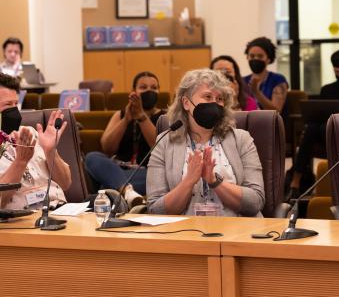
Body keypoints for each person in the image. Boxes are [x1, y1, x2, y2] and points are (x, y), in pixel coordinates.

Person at [146, 69, 264, 216]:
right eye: (208, 97)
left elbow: (255, 202)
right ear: (186, 103)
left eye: (219, 99)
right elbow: (155, 209)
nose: (214, 104)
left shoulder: (241, 139)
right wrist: (189, 181)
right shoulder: (164, 143)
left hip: (235, 230)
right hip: (185, 233)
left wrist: (214, 181)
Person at [286, 49, 339, 199]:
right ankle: (296, 181)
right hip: (326, 132)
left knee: (312, 130)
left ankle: (296, 181)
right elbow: (320, 113)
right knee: (312, 127)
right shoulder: (327, 89)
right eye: (337, 72)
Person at [85, 71, 166, 205]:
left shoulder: (164, 118)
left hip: (147, 172)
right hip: (119, 168)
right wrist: (126, 120)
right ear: (133, 91)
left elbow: (159, 147)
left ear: (159, 91)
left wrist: (141, 116)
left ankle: (112, 190)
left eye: (154, 88)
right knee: (92, 157)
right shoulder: (120, 115)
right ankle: (126, 191)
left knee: (105, 184)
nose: (149, 91)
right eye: (143, 87)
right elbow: (107, 147)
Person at [0, 74, 71, 209]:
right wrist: (20, 162)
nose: (14, 110)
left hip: (61, 210)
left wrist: (51, 152)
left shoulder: (29, 133)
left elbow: (66, 183)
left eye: (16, 104)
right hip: (24, 221)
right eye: (8, 105)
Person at [243, 37, 288, 113]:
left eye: (260, 56)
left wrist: (256, 92)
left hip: (271, 123)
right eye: (252, 56)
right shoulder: (242, 81)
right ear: (247, 57)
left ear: (268, 59)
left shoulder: (278, 80)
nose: (255, 59)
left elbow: (276, 111)